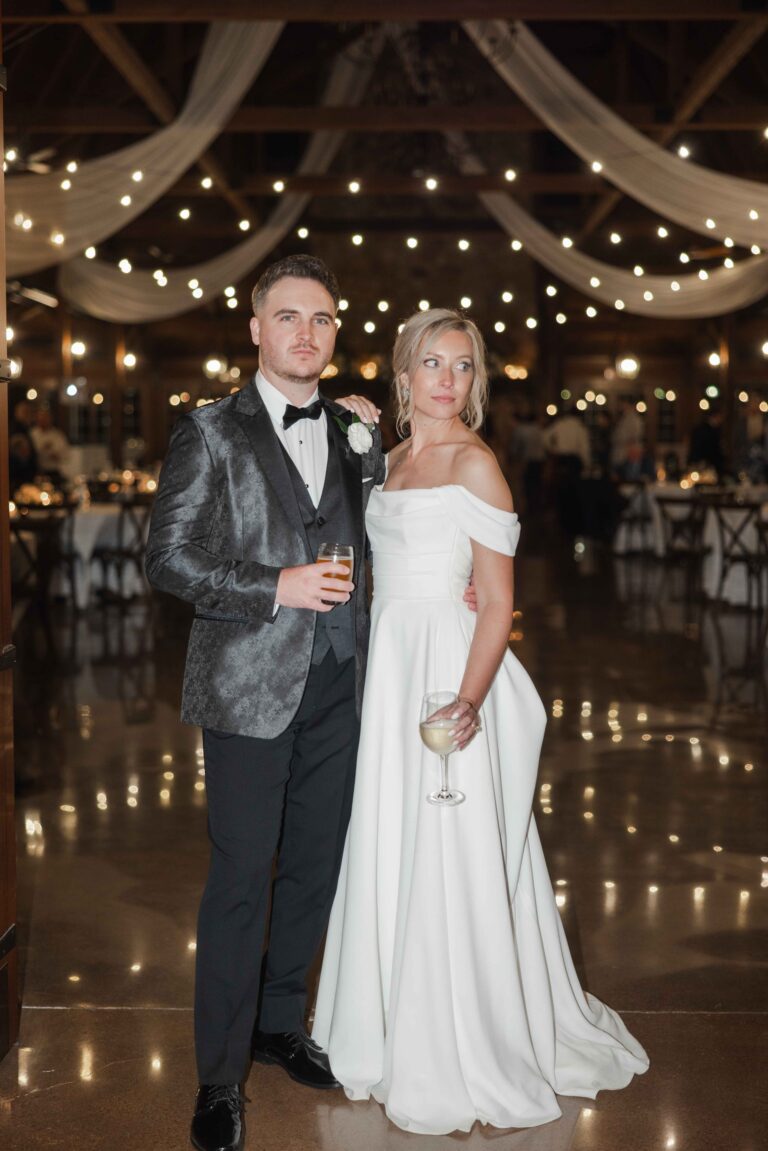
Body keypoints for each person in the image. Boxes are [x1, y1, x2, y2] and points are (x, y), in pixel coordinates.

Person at [312, 309, 649, 1135]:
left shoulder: (478, 464)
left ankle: (462, 1042)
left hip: (447, 671)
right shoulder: (386, 459)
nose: (448, 380)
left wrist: (466, 701)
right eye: (432, 362)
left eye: (463, 366)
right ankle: (383, 1024)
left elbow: (497, 604)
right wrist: (339, 411)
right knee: (393, 836)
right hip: (389, 670)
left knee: (450, 850)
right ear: (403, 373)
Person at [145, 254, 387, 1151]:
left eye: (321, 319)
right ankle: (218, 1078)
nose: (305, 333)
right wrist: (274, 585)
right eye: (288, 317)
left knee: (315, 864)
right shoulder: (209, 431)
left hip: (342, 682)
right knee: (243, 876)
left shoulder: (356, 430)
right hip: (248, 686)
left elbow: (385, 533)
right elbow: (167, 557)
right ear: (255, 328)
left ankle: (280, 1023)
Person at [544, 405, 591, 536]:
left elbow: (545, 437)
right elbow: (585, 448)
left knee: (561, 489)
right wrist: (587, 464)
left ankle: (562, 520)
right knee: (574, 491)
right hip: (574, 461)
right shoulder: (580, 427)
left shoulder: (560, 424)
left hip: (561, 460)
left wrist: (553, 449)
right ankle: (572, 521)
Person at [30, 406, 72, 481]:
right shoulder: (32, 434)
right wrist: (42, 449)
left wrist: (57, 456)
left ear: (50, 419)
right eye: (41, 418)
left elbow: (66, 455)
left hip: (52, 472)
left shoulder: (57, 435)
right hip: (36, 471)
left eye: (45, 418)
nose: (43, 421)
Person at [610, 397, 644, 480]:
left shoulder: (635, 420)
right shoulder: (623, 419)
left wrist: (631, 453)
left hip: (628, 456)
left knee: (629, 480)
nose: (620, 407)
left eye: (623, 404)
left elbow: (633, 438)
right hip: (621, 455)